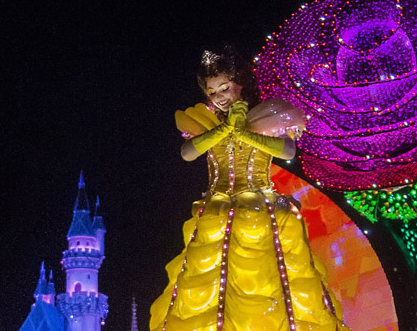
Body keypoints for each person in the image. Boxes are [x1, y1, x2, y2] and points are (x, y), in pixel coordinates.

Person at [150, 49, 350, 330]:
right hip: (218, 209)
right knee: (212, 284)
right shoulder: (208, 124)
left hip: (259, 203)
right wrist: (225, 130)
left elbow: (288, 151)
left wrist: (244, 132)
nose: (219, 96)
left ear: (240, 83)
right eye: (211, 91)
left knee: (274, 279)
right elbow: (187, 153)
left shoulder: (265, 115)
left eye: (224, 87)